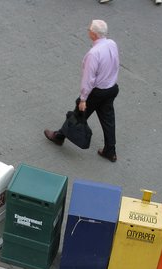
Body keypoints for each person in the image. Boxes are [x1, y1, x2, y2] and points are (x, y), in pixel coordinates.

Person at [44, 19, 120, 162]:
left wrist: (83, 98)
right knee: (108, 120)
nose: (88, 31)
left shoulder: (93, 53)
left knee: (78, 115)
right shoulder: (112, 44)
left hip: (96, 92)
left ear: (94, 34)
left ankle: (59, 136)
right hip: (111, 88)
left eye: (89, 29)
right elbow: (115, 64)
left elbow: (88, 78)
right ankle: (110, 151)